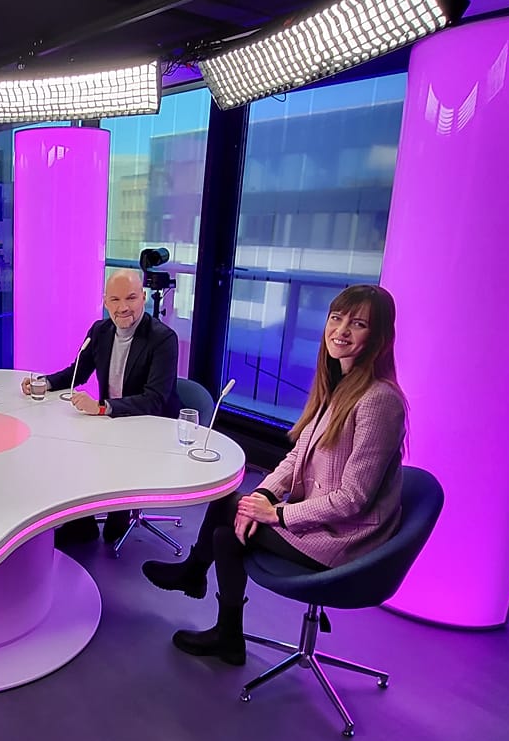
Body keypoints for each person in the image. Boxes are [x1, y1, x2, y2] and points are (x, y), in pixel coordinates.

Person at [143, 284, 407, 666]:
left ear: (378, 337)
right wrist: (264, 496)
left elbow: (354, 499)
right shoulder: (340, 387)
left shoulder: (379, 401)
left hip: (346, 537)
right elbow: (298, 456)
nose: (341, 330)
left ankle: (200, 585)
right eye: (336, 318)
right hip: (325, 520)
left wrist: (277, 514)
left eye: (358, 324)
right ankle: (217, 616)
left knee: (227, 520)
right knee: (230, 517)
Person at [24, 269, 180, 544]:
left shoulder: (163, 338)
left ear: (143, 297)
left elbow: (155, 399)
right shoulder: (100, 331)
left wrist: (101, 407)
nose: (123, 307)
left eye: (131, 298)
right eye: (115, 300)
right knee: (66, 448)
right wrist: (44, 382)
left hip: (150, 426)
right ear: (105, 302)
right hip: (112, 420)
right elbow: (77, 372)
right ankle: (81, 524)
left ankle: (119, 509)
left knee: (112, 530)